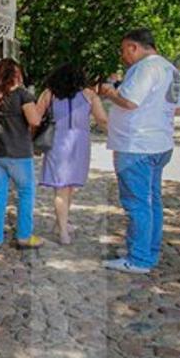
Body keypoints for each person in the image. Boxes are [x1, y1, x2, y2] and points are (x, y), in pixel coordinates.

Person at [97, 29, 180, 273]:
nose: (123, 56)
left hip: (136, 145)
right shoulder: (171, 69)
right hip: (160, 143)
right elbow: (178, 107)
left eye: (124, 50)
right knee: (152, 200)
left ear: (134, 47)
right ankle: (149, 249)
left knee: (136, 203)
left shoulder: (146, 68)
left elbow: (130, 101)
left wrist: (109, 91)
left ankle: (139, 258)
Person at [0, 58, 45, 249]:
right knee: (25, 192)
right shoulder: (22, 95)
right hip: (18, 153)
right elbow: (35, 121)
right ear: (16, 75)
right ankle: (24, 236)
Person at [37, 64, 109, 244]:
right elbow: (102, 120)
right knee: (69, 187)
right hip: (79, 144)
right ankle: (63, 229)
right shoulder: (89, 95)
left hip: (56, 143)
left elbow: (36, 118)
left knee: (61, 189)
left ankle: (61, 227)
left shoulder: (49, 94)